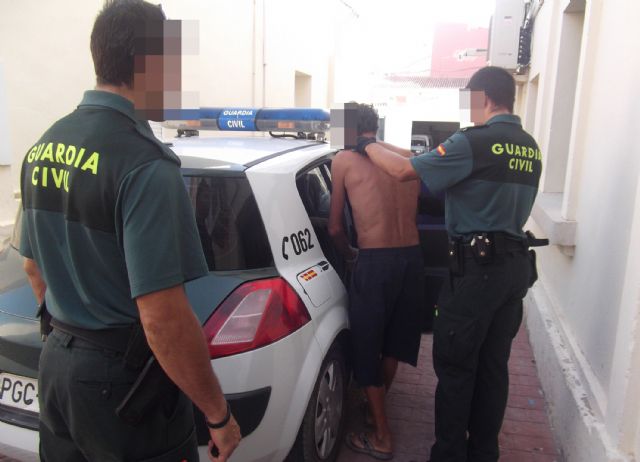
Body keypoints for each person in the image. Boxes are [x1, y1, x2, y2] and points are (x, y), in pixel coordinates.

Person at [18, 1, 240, 461]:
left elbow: (32, 267)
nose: (176, 80)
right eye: (173, 65)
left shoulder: (44, 145)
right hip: (123, 389)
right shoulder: (146, 165)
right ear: (149, 64)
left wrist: (72, 337)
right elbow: (162, 319)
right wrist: (218, 414)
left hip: (57, 366)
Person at [354, 67, 543, 462]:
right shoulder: (529, 147)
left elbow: (404, 171)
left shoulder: (473, 142)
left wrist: (365, 143)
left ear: (484, 98)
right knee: (493, 369)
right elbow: (424, 162)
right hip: (514, 272)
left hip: (477, 273)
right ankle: (483, 453)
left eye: (470, 99)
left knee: (456, 367)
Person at [329, 103, 425, 460]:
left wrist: (350, 254)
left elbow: (334, 228)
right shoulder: (406, 158)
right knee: (394, 344)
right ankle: (374, 410)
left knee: (366, 347)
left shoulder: (343, 160)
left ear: (348, 130)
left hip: (375, 261)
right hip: (412, 259)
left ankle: (382, 437)